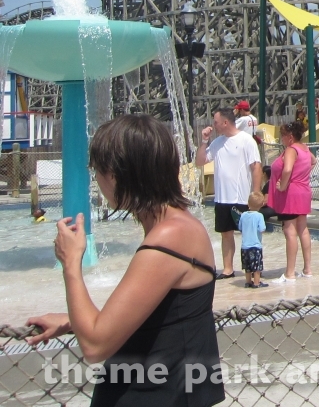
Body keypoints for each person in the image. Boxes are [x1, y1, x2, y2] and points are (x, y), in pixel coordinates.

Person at [26, 115, 224, 407]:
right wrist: (74, 321)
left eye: (98, 171)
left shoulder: (169, 236)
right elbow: (164, 318)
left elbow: (95, 345)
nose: (96, 180)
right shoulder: (180, 226)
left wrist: (71, 263)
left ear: (118, 175)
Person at [195, 107, 262, 280]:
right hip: (222, 198)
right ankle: (228, 269)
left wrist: (256, 192)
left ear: (225, 122)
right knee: (226, 233)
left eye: (216, 122)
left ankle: (253, 270)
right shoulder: (217, 143)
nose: (214, 125)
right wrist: (204, 141)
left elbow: (256, 167)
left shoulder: (246, 140)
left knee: (249, 233)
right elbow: (200, 162)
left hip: (241, 197)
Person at [269, 120, 313, 282]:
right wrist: (301, 176)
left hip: (291, 193)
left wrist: (284, 185)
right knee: (303, 229)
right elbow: (313, 162)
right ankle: (307, 269)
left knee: (290, 231)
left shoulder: (291, 149)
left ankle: (289, 273)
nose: (281, 139)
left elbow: (287, 169)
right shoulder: (305, 148)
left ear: (290, 137)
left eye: (282, 136)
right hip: (304, 191)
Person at [239, 192, 267, 288]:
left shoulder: (243, 215)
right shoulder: (259, 216)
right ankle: (256, 282)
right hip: (255, 245)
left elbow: (240, 228)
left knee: (247, 266)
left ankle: (248, 282)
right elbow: (262, 229)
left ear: (248, 204)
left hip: (244, 246)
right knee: (257, 267)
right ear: (261, 205)